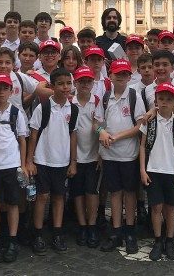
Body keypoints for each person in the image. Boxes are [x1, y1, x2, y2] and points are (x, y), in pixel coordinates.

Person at [27, 68, 78, 254]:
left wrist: (73, 162)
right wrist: (30, 160)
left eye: (68, 83)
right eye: (60, 83)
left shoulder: (73, 109)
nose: (65, 87)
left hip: (62, 161)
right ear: (52, 86)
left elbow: (73, 136)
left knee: (59, 197)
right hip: (42, 159)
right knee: (42, 197)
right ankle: (38, 233)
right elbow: (33, 135)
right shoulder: (43, 107)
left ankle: (57, 232)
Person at [98, 59, 146, 254]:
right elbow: (98, 122)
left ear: (129, 77)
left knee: (130, 194)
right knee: (115, 193)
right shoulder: (106, 96)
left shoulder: (134, 96)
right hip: (109, 155)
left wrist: (117, 136)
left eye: (125, 74)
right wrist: (101, 132)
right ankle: (116, 232)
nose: (121, 77)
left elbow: (140, 125)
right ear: (111, 75)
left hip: (128, 155)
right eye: (117, 74)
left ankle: (129, 231)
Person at [139, 82, 174, 261]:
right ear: (156, 101)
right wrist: (143, 171)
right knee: (156, 206)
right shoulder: (149, 123)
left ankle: (170, 239)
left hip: (172, 171)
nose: (165, 102)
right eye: (161, 99)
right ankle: (158, 240)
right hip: (153, 170)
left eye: (169, 99)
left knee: (171, 207)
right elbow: (143, 146)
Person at [0, 73, 28, 264]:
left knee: (13, 204)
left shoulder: (17, 113)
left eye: (5, 88)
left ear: (11, 91)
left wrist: (23, 164)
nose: (1, 92)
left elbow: (22, 139)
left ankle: (11, 240)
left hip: (12, 165)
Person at [70, 67, 104, 248]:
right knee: (77, 192)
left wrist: (100, 153)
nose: (84, 84)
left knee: (91, 191)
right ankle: (82, 225)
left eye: (88, 81)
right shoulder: (70, 101)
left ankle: (91, 225)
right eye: (81, 81)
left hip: (92, 154)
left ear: (93, 84)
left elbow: (98, 126)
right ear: (75, 82)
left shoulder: (96, 101)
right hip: (74, 156)